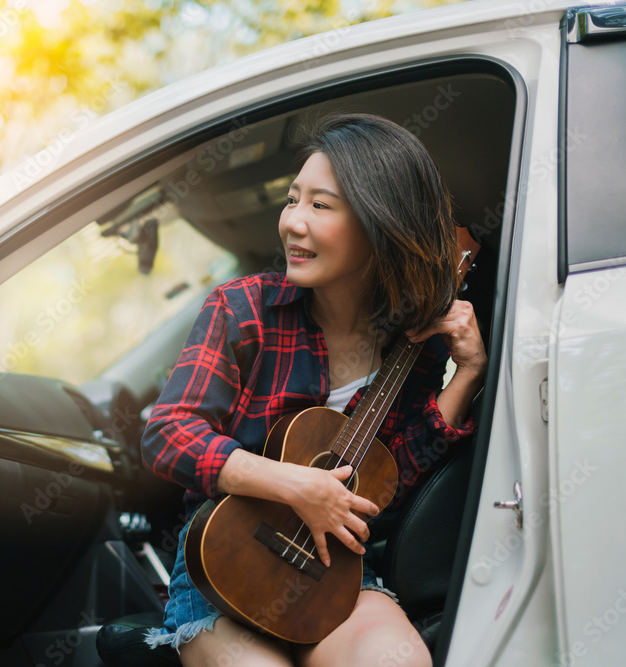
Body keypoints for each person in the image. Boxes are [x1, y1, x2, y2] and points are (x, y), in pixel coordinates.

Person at [140, 113, 486, 666]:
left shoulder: (412, 343)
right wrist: (297, 486)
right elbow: (168, 434)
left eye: (320, 206)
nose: (293, 223)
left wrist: (466, 374)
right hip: (223, 558)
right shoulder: (243, 308)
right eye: (292, 200)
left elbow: (386, 477)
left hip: (336, 565)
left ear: (380, 224)